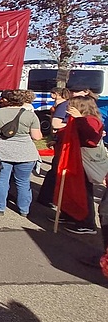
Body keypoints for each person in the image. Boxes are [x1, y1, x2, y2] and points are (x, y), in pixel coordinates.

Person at [0, 90, 42, 217]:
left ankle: (0, 207)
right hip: (25, 153)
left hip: (1, 151)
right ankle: (24, 209)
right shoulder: (30, 115)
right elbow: (37, 137)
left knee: (1, 180)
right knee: (23, 181)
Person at [60, 96, 104, 235]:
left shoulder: (91, 120)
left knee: (84, 191)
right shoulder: (82, 119)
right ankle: (72, 215)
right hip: (76, 160)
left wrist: (79, 119)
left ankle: (87, 223)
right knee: (73, 188)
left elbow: (92, 139)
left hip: (85, 161)